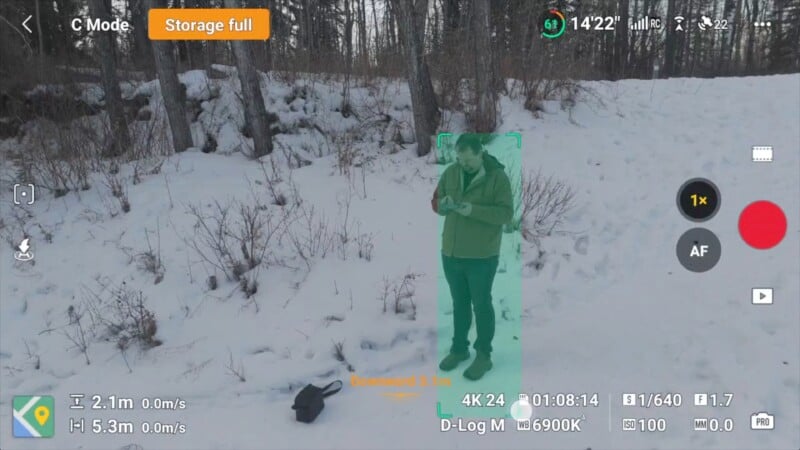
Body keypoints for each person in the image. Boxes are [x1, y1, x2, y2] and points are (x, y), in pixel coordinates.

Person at [430, 134, 513, 381]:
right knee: (460, 304)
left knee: (481, 305)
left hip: (481, 257)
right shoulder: (451, 173)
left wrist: (473, 211)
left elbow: (506, 214)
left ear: (481, 153)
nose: (463, 165)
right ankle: (459, 349)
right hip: (452, 254)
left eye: (469, 161)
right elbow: (435, 202)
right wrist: (443, 204)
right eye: (459, 159)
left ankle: (484, 356)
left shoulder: (497, 177)